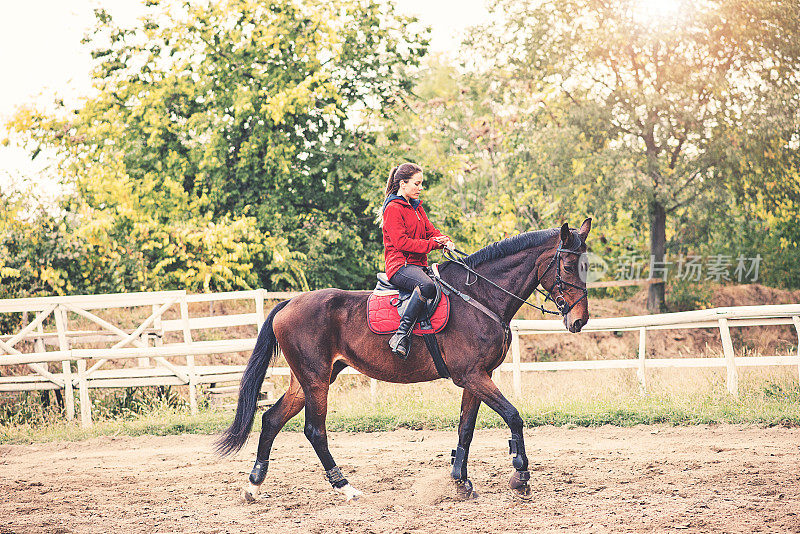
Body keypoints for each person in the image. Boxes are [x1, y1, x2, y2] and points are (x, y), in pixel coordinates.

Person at [381, 162, 454, 359]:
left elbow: (431, 231)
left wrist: (444, 240)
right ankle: (401, 334)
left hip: (417, 265)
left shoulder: (416, 208)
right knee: (426, 285)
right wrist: (432, 244)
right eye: (417, 184)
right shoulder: (393, 209)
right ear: (402, 184)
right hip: (400, 266)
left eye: (421, 184)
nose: (420, 188)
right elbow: (402, 243)